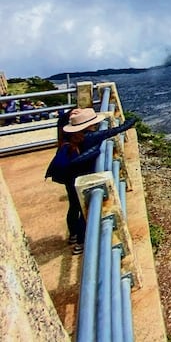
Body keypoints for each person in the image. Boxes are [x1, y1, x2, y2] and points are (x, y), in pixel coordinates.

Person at [45, 108, 136, 254]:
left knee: (74, 206)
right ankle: (81, 243)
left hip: (69, 178)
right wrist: (131, 121)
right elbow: (116, 130)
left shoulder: (68, 137)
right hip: (82, 177)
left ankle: (73, 235)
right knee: (85, 210)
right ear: (89, 125)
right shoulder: (90, 137)